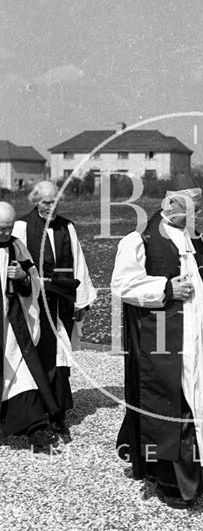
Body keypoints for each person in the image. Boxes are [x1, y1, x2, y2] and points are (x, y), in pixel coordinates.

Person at [111, 173, 203, 509]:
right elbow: (122, 285)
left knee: (196, 400)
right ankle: (172, 482)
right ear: (171, 203)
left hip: (195, 334)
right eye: (191, 209)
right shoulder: (139, 239)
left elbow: (198, 274)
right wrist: (166, 290)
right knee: (172, 403)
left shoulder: (193, 237)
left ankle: (196, 475)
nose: (196, 216)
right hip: (163, 338)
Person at [12, 181, 97, 434]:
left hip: (63, 299)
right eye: (46, 202)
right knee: (43, 352)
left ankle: (58, 410)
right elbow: (20, 263)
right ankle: (41, 411)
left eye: (55, 201)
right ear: (35, 201)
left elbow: (78, 261)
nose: (51, 207)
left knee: (61, 352)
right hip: (36, 302)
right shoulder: (23, 226)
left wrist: (82, 300)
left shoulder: (67, 226)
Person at [0, 202, 59, 448]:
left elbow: (33, 280)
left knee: (22, 372)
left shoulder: (16, 246)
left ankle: (34, 426)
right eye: (1, 228)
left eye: (9, 228)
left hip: (12, 324)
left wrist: (23, 278)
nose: (6, 233)